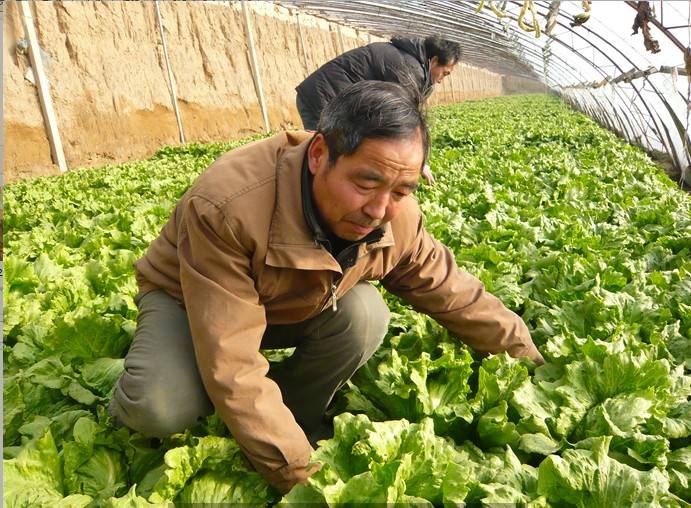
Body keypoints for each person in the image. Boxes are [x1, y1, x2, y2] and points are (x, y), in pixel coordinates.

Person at [109, 81, 543, 494]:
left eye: (400, 190)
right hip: (190, 299)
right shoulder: (228, 207)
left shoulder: (397, 215)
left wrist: (534, 372)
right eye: (365, 183)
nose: (378, 209)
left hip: (292, 301)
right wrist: (308, 482)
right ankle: (165, 373)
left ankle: (286, 419)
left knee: (365, 316)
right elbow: (232, 358)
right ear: (319, 154)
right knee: (159, 406)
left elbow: (455, 294)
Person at [295, 35, 462, 185]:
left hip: (328, 97)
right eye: (444, 73)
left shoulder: (410, 60)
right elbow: (401, 118)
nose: (440, 80)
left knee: (335, 154)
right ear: (433, 61)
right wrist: (419, 162)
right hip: (321, 98)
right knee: (324, 157)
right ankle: (305, 198)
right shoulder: (410, 69)